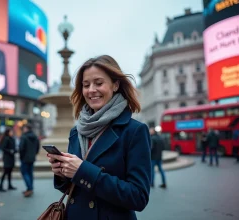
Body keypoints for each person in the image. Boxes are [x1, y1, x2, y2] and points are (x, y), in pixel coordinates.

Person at [47, 55, 151, 219]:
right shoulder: (76, 132)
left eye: (99, 83)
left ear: (115, 85)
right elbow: (74, 189)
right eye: (86, 85)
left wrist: (83, 171)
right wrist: (62, 173)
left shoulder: (134, 131)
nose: (91, 90)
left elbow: (138, 197)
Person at [19, 125, 40, 197]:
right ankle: (29, 188)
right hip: (32, 158)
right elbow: (38, 147)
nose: (23, 130)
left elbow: (21, 148)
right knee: (30, 173)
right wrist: (34, 154)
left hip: (25, 158)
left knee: (24, 172)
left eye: (24, 128)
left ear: (26, 128)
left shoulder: (24, 137)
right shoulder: (35, 137)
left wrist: (21, 157)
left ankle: (29, 188)